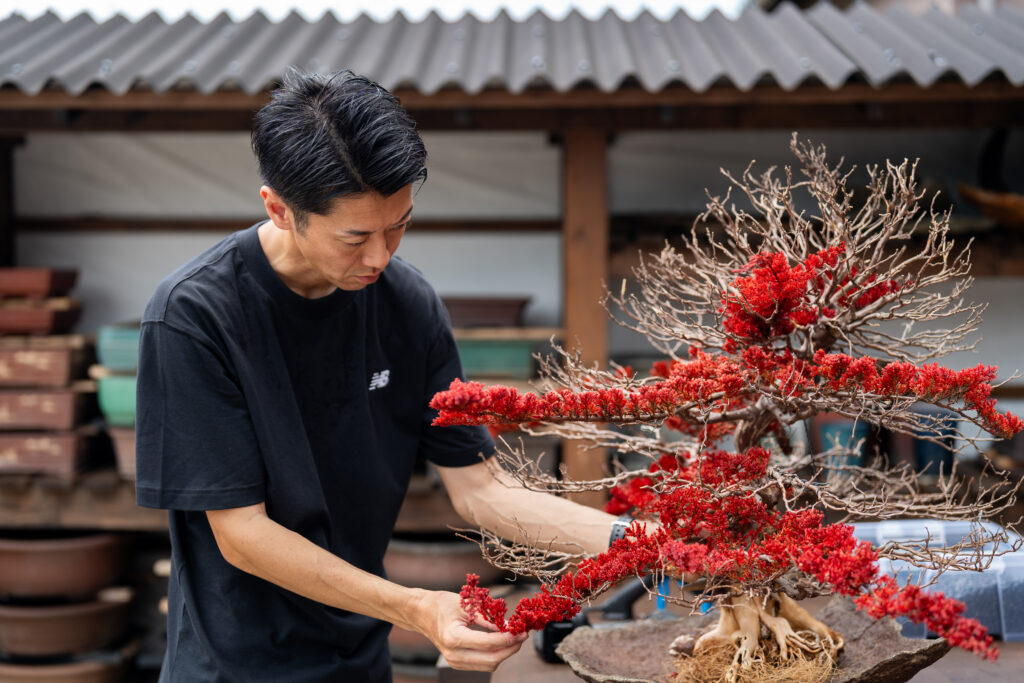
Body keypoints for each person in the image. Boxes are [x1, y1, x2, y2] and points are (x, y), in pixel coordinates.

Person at [135, 69, 623, 682]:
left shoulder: (407, 303)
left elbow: (481, 489)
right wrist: (418, 607)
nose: (380, 257)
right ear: (279, 209)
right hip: (233, 665)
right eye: (356, 236)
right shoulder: (194, 315)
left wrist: (640, 541)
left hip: (359, 658)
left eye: (399, 226)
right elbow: (242, 534)